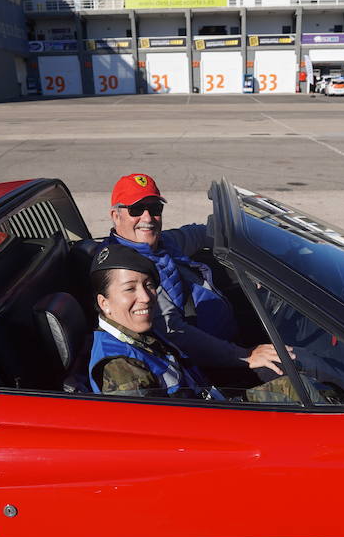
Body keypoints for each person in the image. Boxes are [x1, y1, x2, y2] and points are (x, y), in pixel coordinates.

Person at [103, 172, 285, 374]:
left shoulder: (163, 242)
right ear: (115, 216)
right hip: (213, 363)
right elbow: (176, 333)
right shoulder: (127, 269)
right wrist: (244, 355)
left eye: (155, 208)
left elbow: (200, 233)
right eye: (136, 209)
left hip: (230, 340)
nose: (147, 217)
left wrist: (256, 239)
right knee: (296, 365)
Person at [88, 245, 297, 402]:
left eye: (149, 285)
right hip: (211, 428)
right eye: (130, 289)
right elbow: (156, 439)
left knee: (299, 386)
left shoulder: (140, 334)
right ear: (104, 303)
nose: (146, 297)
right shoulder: (121, 366)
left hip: (209, 403)